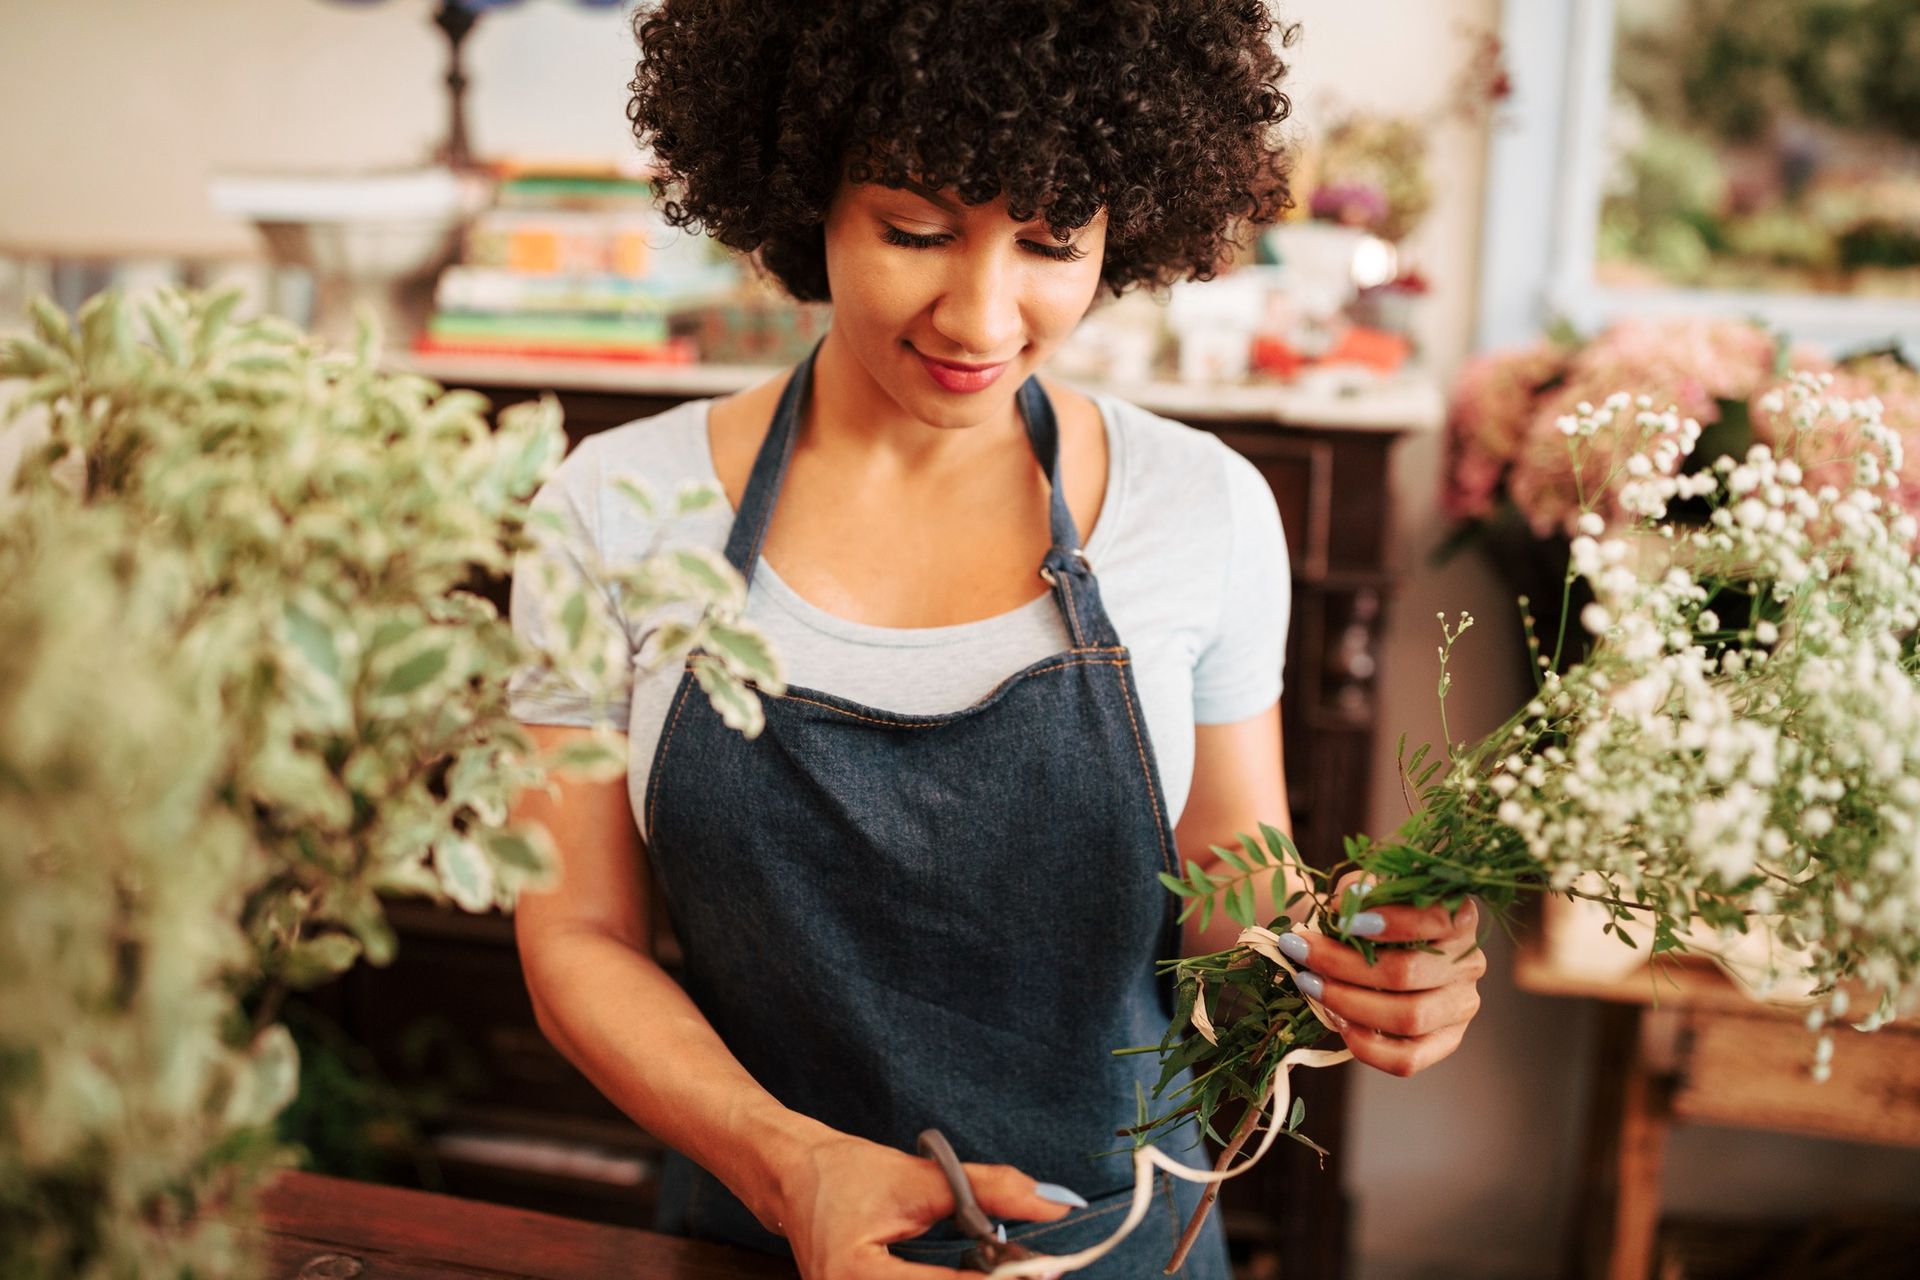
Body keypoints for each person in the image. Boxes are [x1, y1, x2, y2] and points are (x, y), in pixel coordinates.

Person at [507, 3, 1487, 1277]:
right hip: (757, 1237)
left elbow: (1232, 900)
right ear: (806, 195)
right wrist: (794, 1165)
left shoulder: (1202, 508)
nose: (980, 317)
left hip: (1127, 1245)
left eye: (1050, 242)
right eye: (916, 232)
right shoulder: (614, 508)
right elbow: (574, 934)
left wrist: (1349, 959)